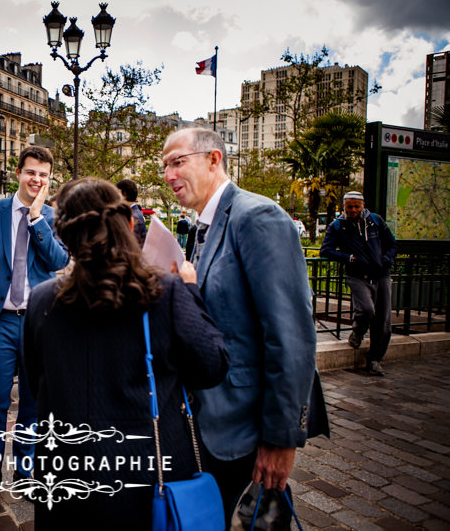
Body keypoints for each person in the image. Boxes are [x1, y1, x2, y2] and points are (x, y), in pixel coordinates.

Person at [23, 178, 227, 528]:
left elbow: (35, 380)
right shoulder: (167, 291)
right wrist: (191, 290)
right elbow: (212, 367)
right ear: (130, 224)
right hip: (150, 478)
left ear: (64, 236)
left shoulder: (42, 300)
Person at [162, 128, 317, 521]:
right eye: (164, 166)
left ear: (214, 159)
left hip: (246, 431)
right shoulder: (201, 226)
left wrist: (281, 440)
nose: (168, 174)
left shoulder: (257, 216)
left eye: (178, 162)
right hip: (206, 423)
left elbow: (292, 336)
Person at [0, 145, 69, 506]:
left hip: (39, 322)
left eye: (43, 174)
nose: (36, 179)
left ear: (48, 178)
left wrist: (38, 220)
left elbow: (58, 260)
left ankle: (25, 474)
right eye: (30, 172)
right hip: (0, 321)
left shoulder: (52, 217)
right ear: (18, 173)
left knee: (33, 404)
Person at [320, 191, 397, 376]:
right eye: (349, 206)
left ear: (363, 205)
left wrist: (386, 259)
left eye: (356, 206)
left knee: (383, 322)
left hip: (381, 275)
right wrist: (349, 258)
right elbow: (326, 250)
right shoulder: (338, 226)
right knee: (366, 310)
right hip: (357, 275)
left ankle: (375, 360)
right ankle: (357, 332)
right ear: (344, 206)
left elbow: (392, 244)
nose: (353, 210)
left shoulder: (376, 221)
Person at [116, 178, 147, 246]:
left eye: (117, 193)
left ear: (124, 194)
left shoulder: (133, 216)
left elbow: (131, 245)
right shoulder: (134, 213)